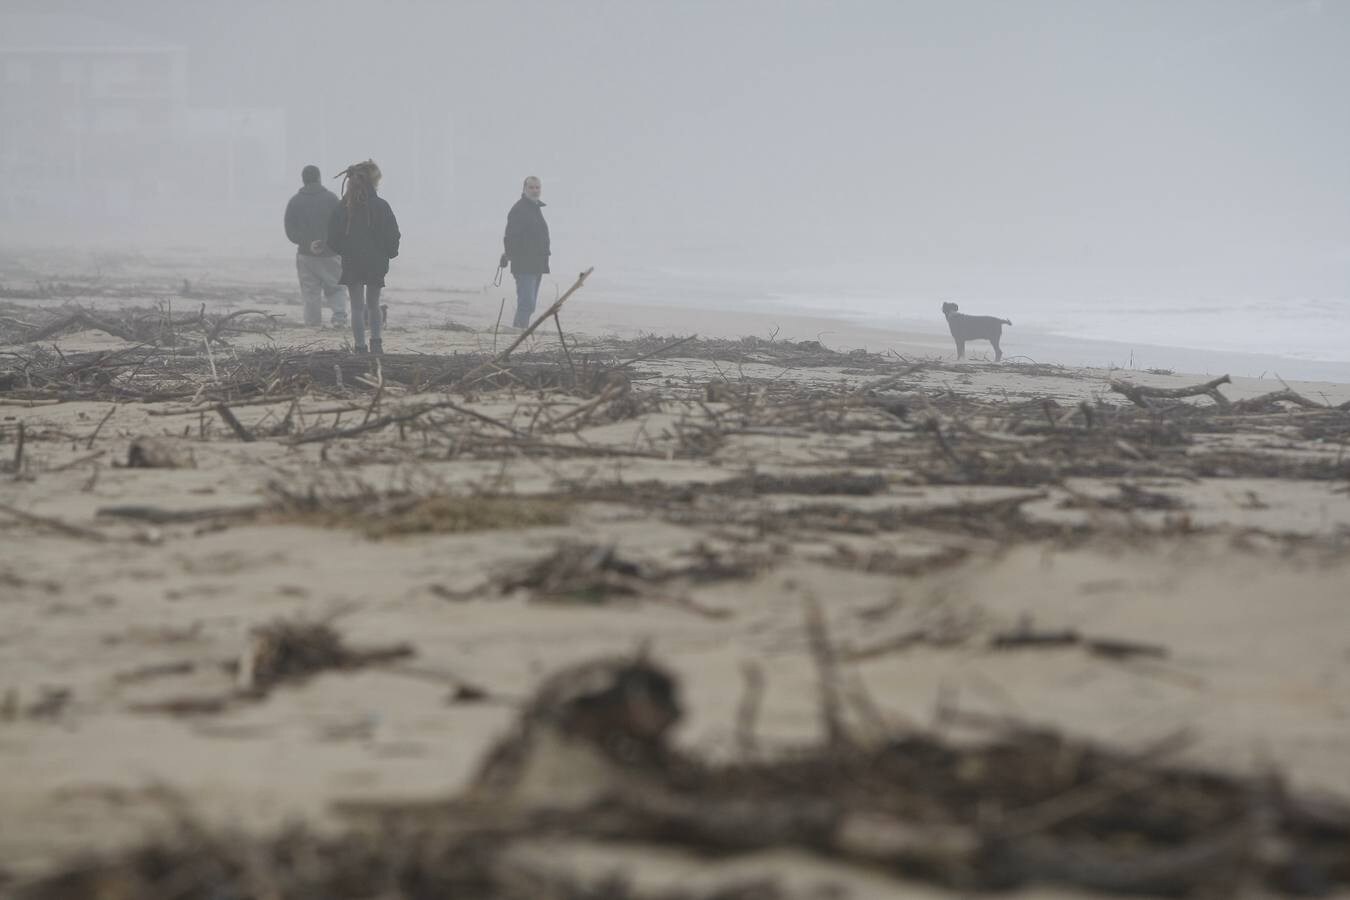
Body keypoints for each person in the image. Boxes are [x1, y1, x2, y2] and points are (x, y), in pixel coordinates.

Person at [326, 159, 400, 354]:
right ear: (373, 181)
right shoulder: (382, 206)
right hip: (376, 261)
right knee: (374, 304)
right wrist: (390, 253)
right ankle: (377, 344)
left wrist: (344, 250)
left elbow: (332, 236)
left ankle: (360, 347)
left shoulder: (344, 206)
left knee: (357, 307)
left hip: (353, 261)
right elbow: (393, 234)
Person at [283, 165, 347, 327]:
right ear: (319, 178)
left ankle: (313, 325)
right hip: (331, 253)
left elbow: (290, 230)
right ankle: (339, 319)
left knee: (310, 292)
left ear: (303, 180)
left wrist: (307, 243)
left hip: (305, 255)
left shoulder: (294, 202)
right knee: (336, 287)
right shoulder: (331, 199)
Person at [500, 175, 550, 328]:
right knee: (527, 302)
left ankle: (521, 329)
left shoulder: (535, 208)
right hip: (524, 264)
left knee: (530, 304)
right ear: (524, 189)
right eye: (531, 187)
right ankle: (519, 331)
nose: (535, 191)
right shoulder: (519, 209)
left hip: (538, 264)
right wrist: (508, 255)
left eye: (537, 187)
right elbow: (510, 236)